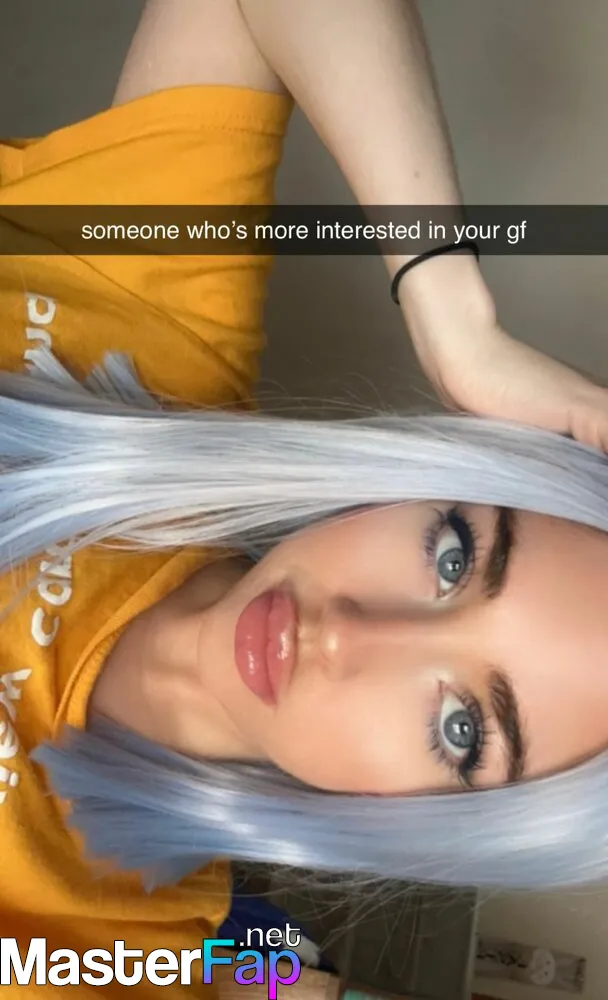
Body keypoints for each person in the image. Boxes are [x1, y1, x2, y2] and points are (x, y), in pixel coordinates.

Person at [1, 0, 608, 989]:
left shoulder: (109, 941)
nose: (349, 635)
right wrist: (453, 319)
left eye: (461, 730)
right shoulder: (158, 353)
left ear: (431, 826)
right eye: (453, 554)